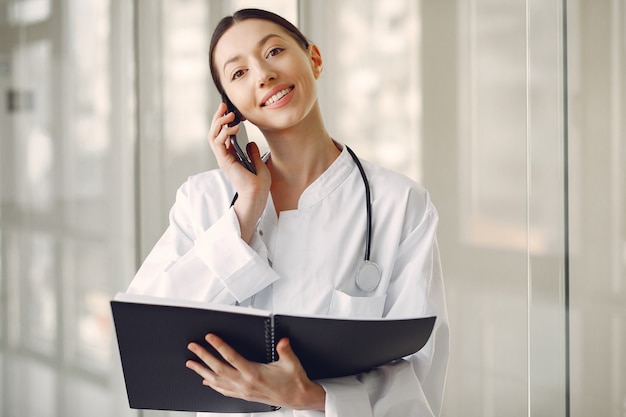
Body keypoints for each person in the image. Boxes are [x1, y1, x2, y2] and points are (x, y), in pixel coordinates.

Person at [127, 8, 448, 417]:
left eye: (274, 51)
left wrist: (310, 397)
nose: (262, 74)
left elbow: (423, 372)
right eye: (238, 73)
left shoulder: (399, 204)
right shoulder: (203, 200)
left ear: (314, 59)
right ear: (231, 107)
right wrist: (244, 212)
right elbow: (147, 336)